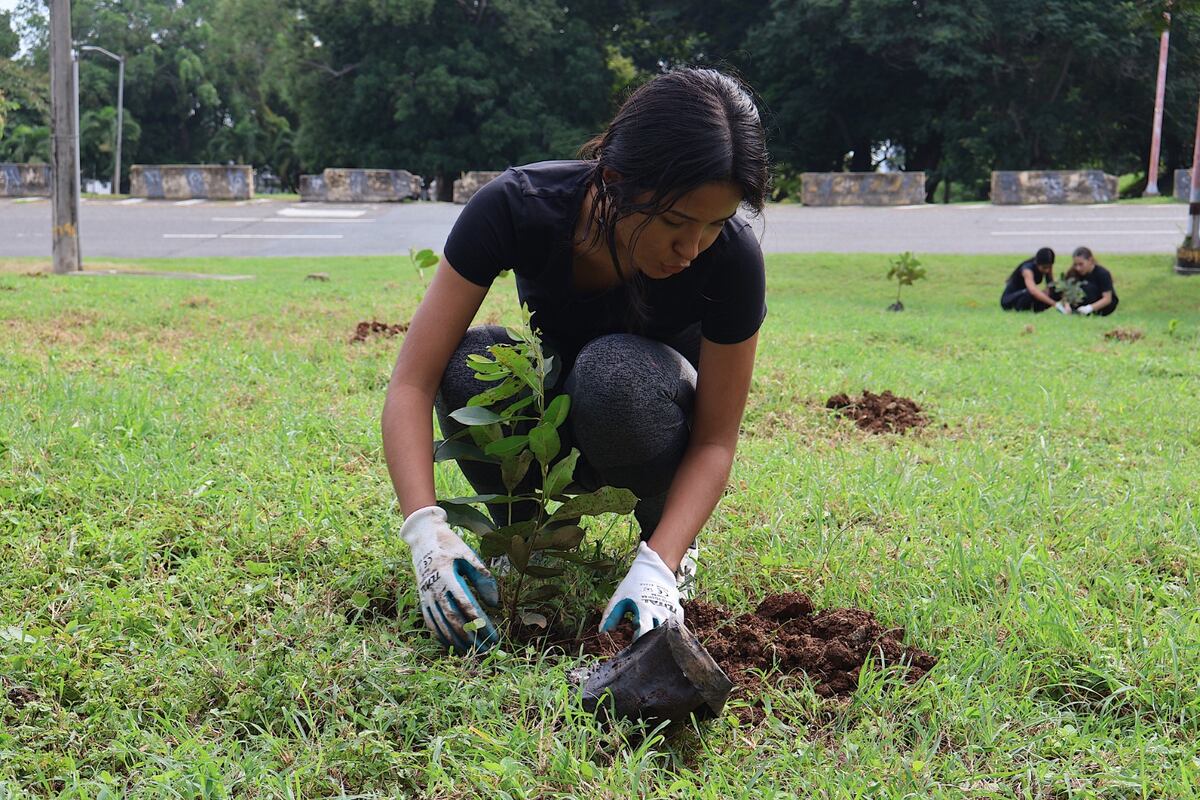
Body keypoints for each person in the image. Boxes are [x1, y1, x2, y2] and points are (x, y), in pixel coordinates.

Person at [381, 68, 770, 654]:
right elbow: (413, 382)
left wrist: (658, 568)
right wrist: (424, 532)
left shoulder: (732, 260)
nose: (692, 251)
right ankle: (534, 531)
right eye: (674, 222)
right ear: (613, 180)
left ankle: (663, 546)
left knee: (614, 373)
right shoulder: (518, 208)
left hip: (656, 436)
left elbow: (716, 441)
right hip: (557, 421)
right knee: (470, 362)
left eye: (716, 224)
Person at [1000, 247, 1068, 313]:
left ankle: (1037, 310)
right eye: (1044, 267)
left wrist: (1065, 302)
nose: (1047, 270)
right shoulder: (1027, 269)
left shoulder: (1047, 268)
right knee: (1029, 292)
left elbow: (1051, 285)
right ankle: (1023, 310)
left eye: (1049, 267)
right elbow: (1033, 291)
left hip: (1027, 297)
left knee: (1055, 292)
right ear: (1037, 263)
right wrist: (1055, 304)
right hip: (1011, 299)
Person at [1063, 246, 1119, 316]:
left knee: (1089, 287)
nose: (1078, 268)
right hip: (1080, 306)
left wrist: (1089, 308)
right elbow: (1066, 292)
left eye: (1081, 264)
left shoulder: (1102, 273)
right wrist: (1067, 305)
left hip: (1102, 307)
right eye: (1075, 265)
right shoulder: (1072, 273)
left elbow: (1107, 299)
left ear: (1090, 260)